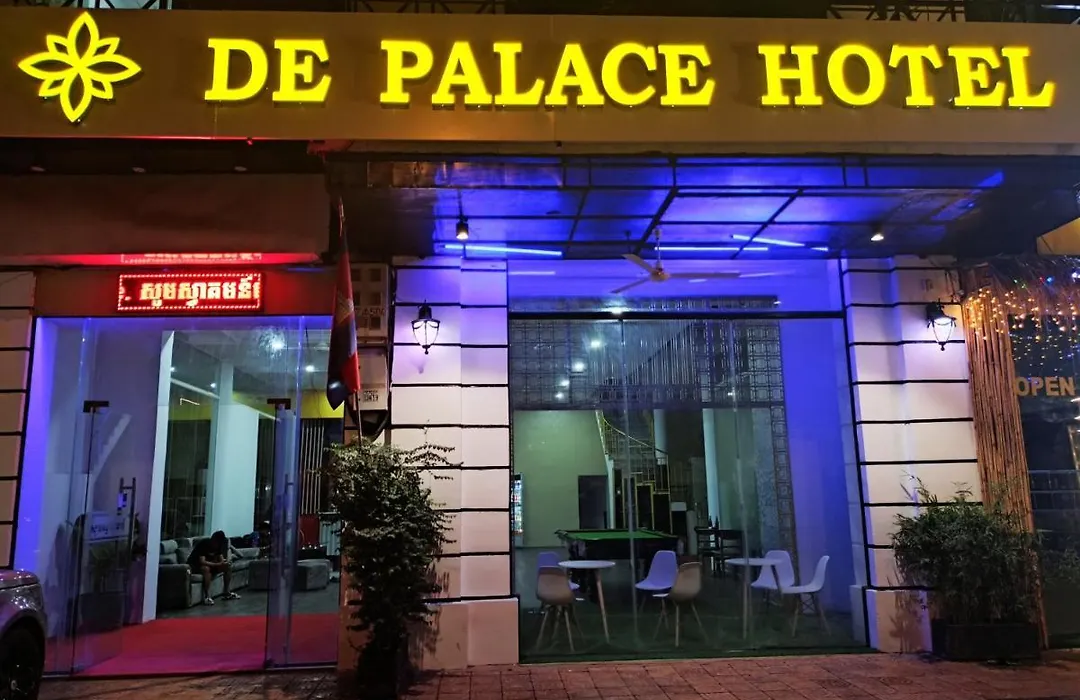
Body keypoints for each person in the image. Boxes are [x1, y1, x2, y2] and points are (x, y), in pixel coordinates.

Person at [187, 530, 240, 606]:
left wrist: (224, 563)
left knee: (227, 567)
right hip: (195, 565)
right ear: (213, 540)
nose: (217, 545)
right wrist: (217, 564)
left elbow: (221, 559)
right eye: (217, 542)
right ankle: (207, 597)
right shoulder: (204, 544)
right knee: (206, 569)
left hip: (211, 564)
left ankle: (226, 592)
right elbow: (202, 561)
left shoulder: (219, 545)